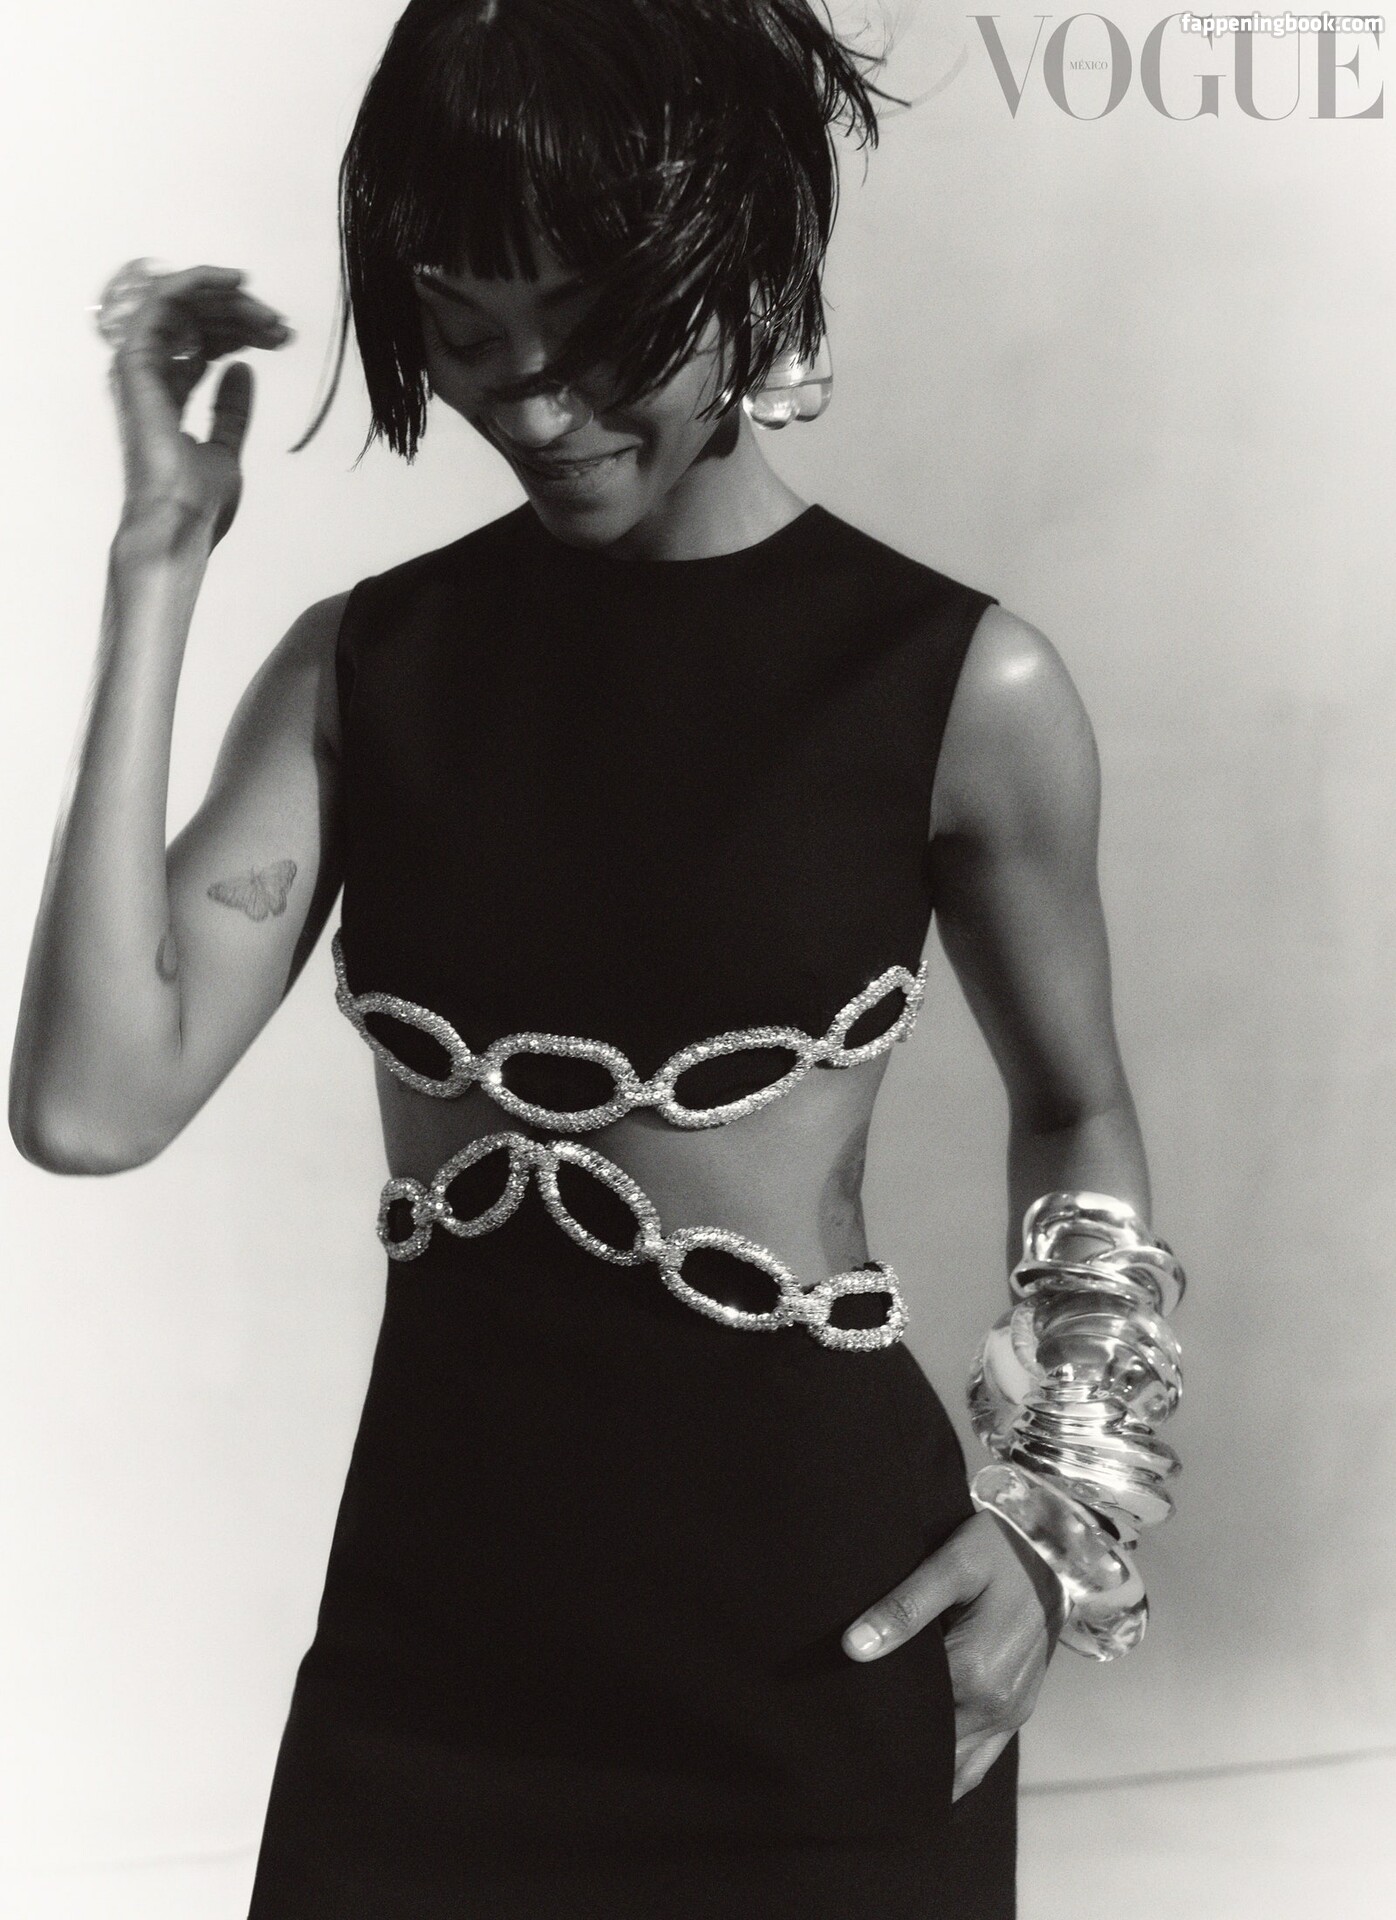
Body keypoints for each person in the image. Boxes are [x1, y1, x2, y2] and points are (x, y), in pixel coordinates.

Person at [10, 2, 1158, 1914]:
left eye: (596, 332)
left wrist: (1061, 1509)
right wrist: (156, 562)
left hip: (821, 1654)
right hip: (427, 1663)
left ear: (744, 262)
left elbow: (1081, 1109)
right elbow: (87, 1104)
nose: (534, 406)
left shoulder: (961, 685)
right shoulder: (367, 671)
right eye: (468, 336)